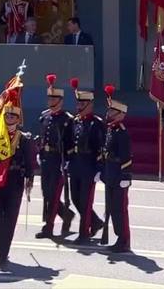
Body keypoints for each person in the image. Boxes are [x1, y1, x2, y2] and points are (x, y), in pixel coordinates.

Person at [0, 95, 36, 269]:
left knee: (10, 218)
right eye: (7, 116)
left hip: (15, 181)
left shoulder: (24, 139)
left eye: (13, 116)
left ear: (18, 119)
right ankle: (2, 239)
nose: (9, 119)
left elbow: (30, 161)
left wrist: (30, 178)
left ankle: (3, 252)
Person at [35, 74, 76, 239]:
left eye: (53, 99)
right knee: (46, 193)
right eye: (49, 98)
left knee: (54, 193)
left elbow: (71, 142)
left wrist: (67, 161)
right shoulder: (44, 116)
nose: (50, 101)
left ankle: (49, 227)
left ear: (60, 100)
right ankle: (66, 215)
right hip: (46, 158)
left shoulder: (67, 119)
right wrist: (39, 152)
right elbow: (42, 135)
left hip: (59, 160)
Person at [66, 78, 104, 244]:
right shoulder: (75, 122)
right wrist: (67, 160)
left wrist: (99, 168)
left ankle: (84, 233)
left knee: (85, 200)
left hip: (89, 165)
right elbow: (69, 142)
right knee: (75, 198)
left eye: (82, 104)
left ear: (90, 105)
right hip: (75, 164)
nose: (79, 106)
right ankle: (95, 222)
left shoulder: (96, 124)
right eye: (78, 103)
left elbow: (101, 147)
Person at [96, 85, 132, 253]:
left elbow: (126, 156)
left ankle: (124, 239)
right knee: (111, 207)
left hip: (119, 174)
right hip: (110, 172)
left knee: (120, 209)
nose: (108, 114)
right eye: (109, 111)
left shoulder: (122, 133)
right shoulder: (110, 130)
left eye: (112, 112)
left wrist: (126, 176)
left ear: (120, 115)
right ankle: (118, 237)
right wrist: (101, 171)